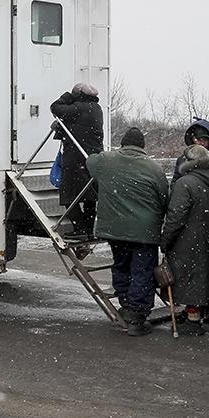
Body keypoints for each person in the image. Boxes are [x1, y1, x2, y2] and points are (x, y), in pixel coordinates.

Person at [86, 127, 169, 337]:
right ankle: (137, 317)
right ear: (142, 146)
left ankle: (124, 303)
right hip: (144, 232)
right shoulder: (154, 168)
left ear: (122, 144)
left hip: (115, 230)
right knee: (142, 271)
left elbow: (90, 162)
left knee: (121, 265)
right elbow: (164, 198)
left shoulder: (105, 161)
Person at [161, 145, 209, 335]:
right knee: (204, 276)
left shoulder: (185, 183)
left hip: (187, 239)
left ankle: (193, 320)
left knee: (189, 278)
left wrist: (166, 238)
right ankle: (197, 314)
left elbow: (175, 215)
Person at [50, 83, 104, 236]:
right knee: (90, 197)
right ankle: (88, 230)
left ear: (77, 94)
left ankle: (79, 228)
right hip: (94, 159)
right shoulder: (96, 109)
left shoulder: (78, 108)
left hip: (76, 158)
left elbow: (55, 107)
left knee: (68, 196)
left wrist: (67, 96)